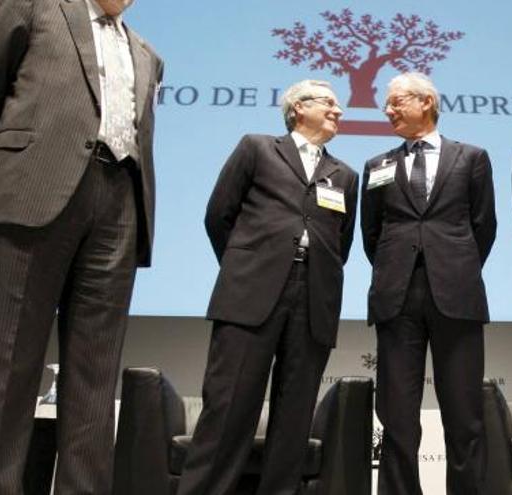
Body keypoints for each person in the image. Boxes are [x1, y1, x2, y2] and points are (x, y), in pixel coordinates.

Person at [0, 0, 163, 492]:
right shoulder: (34, 6)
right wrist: (8, 166)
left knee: (95, 377)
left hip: (119, 201)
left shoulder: (147, 52)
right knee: (9, 368)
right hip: (34, 190)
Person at [177, 80, 358, 495]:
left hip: (313, 300)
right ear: (297, 108)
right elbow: (218, 215)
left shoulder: (345, 175)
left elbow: (340, 244)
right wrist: (248, 266)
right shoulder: (257, 148)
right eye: (328, 103)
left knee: (294, 420)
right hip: (250, 293)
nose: (338, 111)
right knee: (228, 410)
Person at [361, 72, 496, 495]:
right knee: (397, 416)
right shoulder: (377, 165)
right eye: (387, 103)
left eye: (397, 101)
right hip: (396, 298)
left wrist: (454, 267)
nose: (388, 109)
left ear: (427, 102)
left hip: (456, 295)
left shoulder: (471, 157)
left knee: (464, 416)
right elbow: (372, 234)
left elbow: (483, 227)